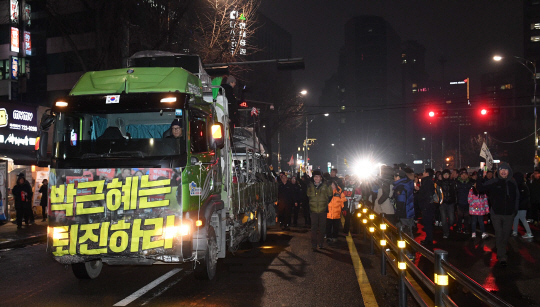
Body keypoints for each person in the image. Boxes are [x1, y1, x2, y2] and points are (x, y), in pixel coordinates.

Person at [477, 162, 519, 266]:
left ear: (509, 171)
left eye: (506, 170)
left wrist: (514, 211)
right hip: (496, 214)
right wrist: (479, 176)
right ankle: (502, 256)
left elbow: (517, 198)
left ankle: (502, 249)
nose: (503, 171)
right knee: (499, 234)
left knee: (505, 235)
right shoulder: (494, 182)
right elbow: (480, 188)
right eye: (501, 169)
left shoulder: (512, 183)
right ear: (498, 171)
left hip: (509, 214)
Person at [307, 170, 333, 250]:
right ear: (313, 177)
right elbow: (308, 196)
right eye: (315, 176)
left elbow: (330, 195)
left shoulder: (326, 185)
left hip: (323, 210)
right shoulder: (310, 186)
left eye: (318, 176)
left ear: (321, 178)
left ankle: (321, 243)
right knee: (313, 228)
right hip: (313, 210)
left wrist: (324, 204)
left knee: (322, 228)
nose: (316, 178)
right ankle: (314, 244)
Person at [393, 169, 415, 256]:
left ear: (398, 177)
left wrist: (398, 215)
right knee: (409, 232)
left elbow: (401, 202)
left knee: (404, 233)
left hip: (404, 213)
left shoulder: (400, 187)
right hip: (409, 212)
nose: (394, 178)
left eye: (395, 176)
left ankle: (408, 254)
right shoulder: (407, 184)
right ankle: (410, 252)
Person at [416, 168, 435, 246]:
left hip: (427, 206)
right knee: (428, 223)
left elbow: (427, 194)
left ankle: (429, 240)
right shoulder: (429, 181)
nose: (423, 173)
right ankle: (428, 239)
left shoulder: (426, 181)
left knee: (427, 223)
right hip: (428, 205)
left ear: (427, 173)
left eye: (424, 172)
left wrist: (424, 204)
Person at [512, 172, 533, 239]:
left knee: (522, 218)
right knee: (516, 218)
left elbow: (522, 197)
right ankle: (515, 231)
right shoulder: (521, 185)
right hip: (521, 206)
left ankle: (529, 233)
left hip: (521, 206)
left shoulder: (521, 186)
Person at [439, 169, 457, 239]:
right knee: (443, 219)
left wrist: (455, 201)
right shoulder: (439, 183)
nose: (446, 176)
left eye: (447, 174)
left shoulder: (453, 182)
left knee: (451, 219)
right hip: (442, 203)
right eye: (444, 174)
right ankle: (445, 233)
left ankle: (448, 228)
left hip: (451, 203)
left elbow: (455, 193)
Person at [456, 169, 473, 234]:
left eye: (465, 174)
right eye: (462, 175)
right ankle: (459, 227)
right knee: (459, 217)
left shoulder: (470, 183)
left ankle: (466, 228)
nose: (464, 176)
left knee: (466, 217)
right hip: (459, 202)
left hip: (468, 203)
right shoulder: (457, 182)